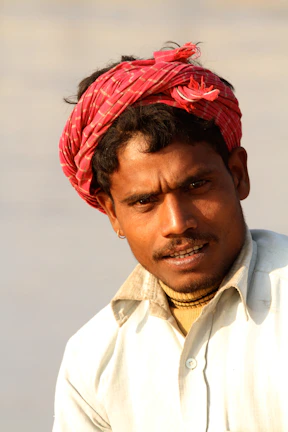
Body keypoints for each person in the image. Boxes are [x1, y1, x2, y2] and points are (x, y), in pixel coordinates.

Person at [53, 42, 288, 432]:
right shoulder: (93, 360)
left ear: (238, 174)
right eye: (144, 201)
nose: (177, 223)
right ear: (112, 212)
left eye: (197, 185)